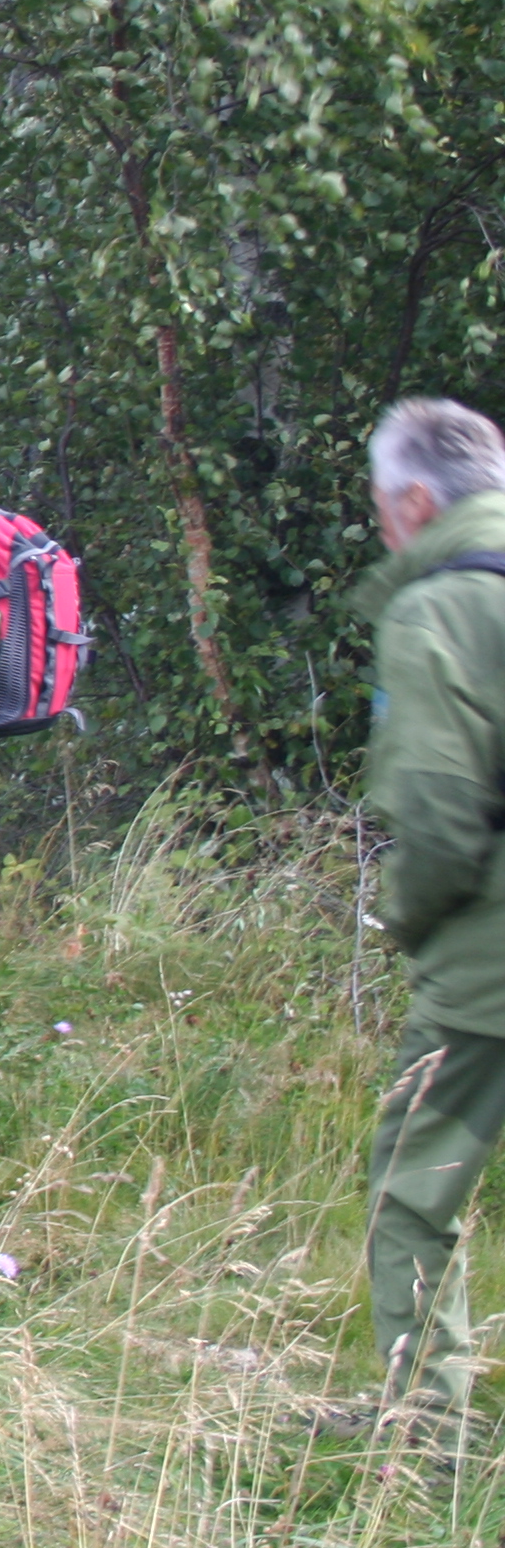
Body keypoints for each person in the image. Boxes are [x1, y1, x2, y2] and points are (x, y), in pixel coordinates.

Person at [345, 397, 505, 1434]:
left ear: (411, 501)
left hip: (489, 961)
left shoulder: (438, 608)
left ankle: (427, 1425)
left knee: (416, 1178)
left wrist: (406, 919)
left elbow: (439, 810)